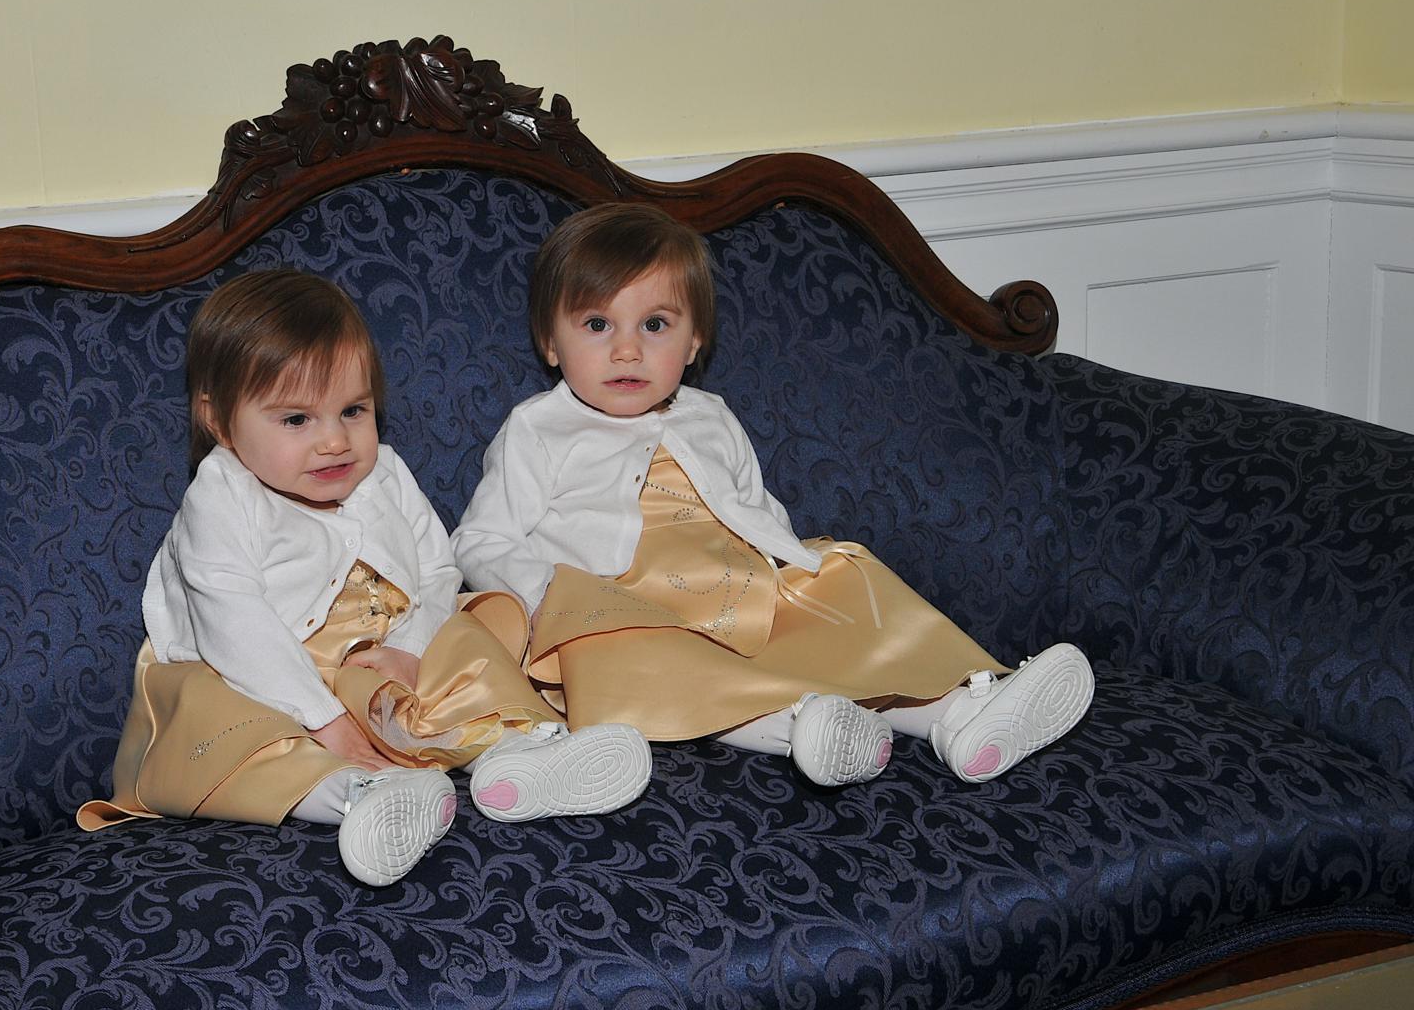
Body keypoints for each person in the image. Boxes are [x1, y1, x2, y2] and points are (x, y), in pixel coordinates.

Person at [451, 203, 1093, 790]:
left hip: (736, 588)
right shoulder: (538, 429)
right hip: (623, 603)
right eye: (597, 324)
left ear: (694, 342)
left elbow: (755, 507)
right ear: (550, 342)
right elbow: (481, 540)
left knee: (846, 576)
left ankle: (961, 715)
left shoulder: (710, 415)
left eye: (655, 324)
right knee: (645, 657)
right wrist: (546, 594)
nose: (627, 349)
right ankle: (803, 725)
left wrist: (797, 569)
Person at [78, 269, 650, 886]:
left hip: (382, 659)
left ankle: (518, 758)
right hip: (265, 675)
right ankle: (359, 795)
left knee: (475, 627)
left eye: (353, 410)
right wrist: (323, 719)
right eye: (296, 420)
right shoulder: (222, 497)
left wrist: (413, 650)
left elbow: (437, 571)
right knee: (228, 725)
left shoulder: (386, 475)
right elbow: (231, 620)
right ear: (218, 422)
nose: (334, 441)